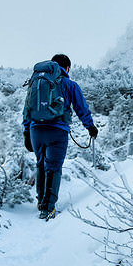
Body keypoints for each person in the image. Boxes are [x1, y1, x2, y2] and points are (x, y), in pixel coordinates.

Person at [23, 54, 98, 220]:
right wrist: (90, 127)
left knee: (40, 164)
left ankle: (41, 202)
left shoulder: (37, 83)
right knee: (54, 167)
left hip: (36, 130)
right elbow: (81, 108)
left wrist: (26, 132)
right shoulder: (70, 85)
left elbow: (27, 108)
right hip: (57, 131)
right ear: (67, 68)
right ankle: (48, 209)